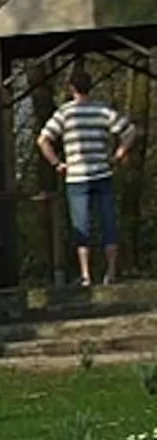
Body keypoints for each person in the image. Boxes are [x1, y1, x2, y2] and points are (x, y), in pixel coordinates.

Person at [37, 69, 139, 286]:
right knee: (108, 222)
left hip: (76, 177)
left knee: (81, 225)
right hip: (102, 172)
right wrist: (119, 154)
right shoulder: (102, 110)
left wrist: (57, 163)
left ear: (71, 88)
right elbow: (130, 131)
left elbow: (43, 140)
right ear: (90, 87)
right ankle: (110, 272)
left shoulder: (65, 113)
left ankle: (86, 275)